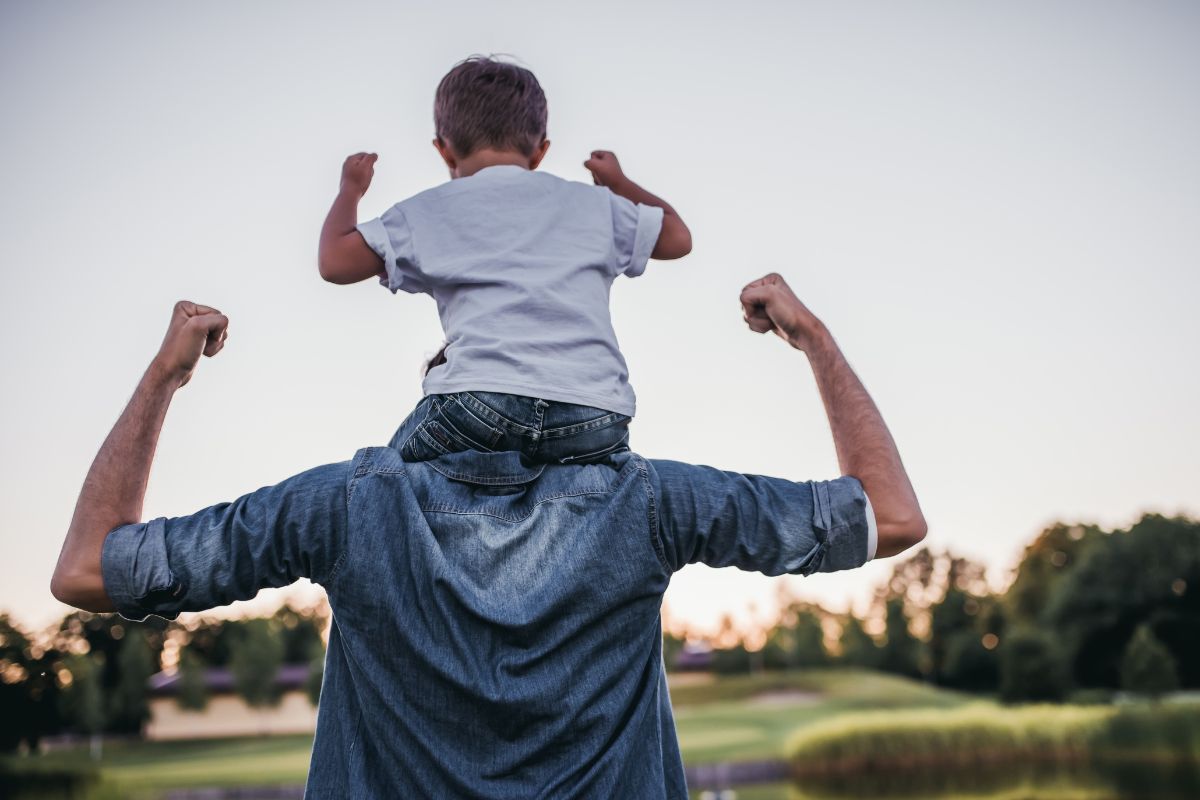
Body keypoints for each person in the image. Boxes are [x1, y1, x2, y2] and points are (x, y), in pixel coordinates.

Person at [51, 273, 926, 799]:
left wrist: (166, 376)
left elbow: (89, 569)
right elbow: (890, 517)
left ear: (434, 393)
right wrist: (812, 338)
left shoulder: (344, 508)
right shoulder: (649, 503)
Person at [317, 55, 692, 466]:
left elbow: (335, 262)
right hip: (595, 415)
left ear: (444, 150)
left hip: (480, 406)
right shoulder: (594, 205)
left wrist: (350, 190)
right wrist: (618, 183)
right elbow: (677, 238)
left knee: (384, 479)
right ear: (541, 151)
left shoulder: (430, 211)